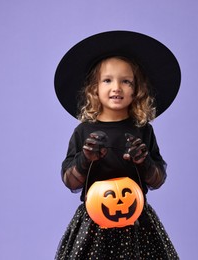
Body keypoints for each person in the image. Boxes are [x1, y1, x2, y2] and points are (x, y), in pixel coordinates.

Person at [54, 31, 181, 259]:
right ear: (94, 88)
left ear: (136, 89)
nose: (117, 87)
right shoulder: (83, 131)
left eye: (126, 81)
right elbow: (69, 179)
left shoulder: (143, 130)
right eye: (107, 80)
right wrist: (86, 159)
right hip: (93, 222)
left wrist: (144, 161)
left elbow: (158, 178)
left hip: (136, 221)